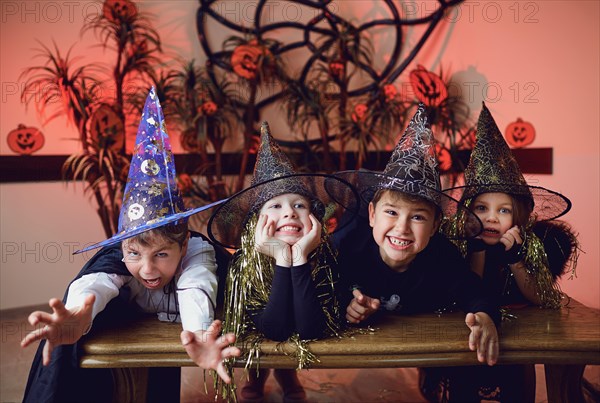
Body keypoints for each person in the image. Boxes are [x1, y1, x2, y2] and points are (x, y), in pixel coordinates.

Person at [20, 88, 240, 403]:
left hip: (175, 322)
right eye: (134, 254)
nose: (147, 269)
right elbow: (97, 283)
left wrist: (201, 334)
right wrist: (77, 315)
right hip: (124, 315)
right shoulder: (117, 261)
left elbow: (196, 288)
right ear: (123, 248)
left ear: (184, 244)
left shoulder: (197, 252)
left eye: (162, 254)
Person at [428, 103, 580, 402]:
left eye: (503, 210)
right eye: (482, 209)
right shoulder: (458, 242)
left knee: (518, 381)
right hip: (467, 331)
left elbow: (541, 296)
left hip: (518, 333)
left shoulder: (527, 245)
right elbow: (467, 288)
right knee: (462, 385)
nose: (491, 218)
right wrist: (476, 248)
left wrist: (516, 259)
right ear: (467, 212)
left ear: (518, 217)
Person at [333, 105, 500, 371]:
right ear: (372, 215)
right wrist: (348, 305)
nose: (402, 228)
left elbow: (474, 291)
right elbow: (326, 288)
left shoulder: (442, 256)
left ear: (434, 227)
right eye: (391, 212)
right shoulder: (349, 247)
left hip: (420, 336)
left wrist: (485, 316)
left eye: (418, 217)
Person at [207, 121, 359, 402]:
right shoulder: (242, 265)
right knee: (264, 335)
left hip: (301, 320)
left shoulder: (326, 259)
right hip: (262, 328)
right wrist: (279, 257)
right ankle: (259, 370)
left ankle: (286, 371)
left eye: (299, 205)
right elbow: (274, 329)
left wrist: (298, 257)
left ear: (314, 219)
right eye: (275, 206)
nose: (289, 213)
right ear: (256, 224)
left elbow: (310, 330)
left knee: (296, 323)